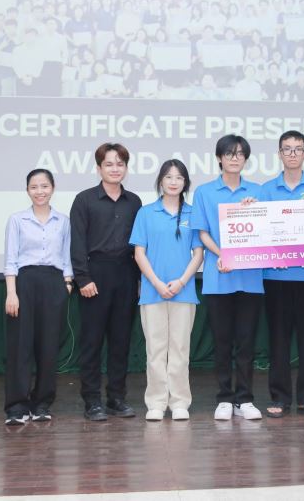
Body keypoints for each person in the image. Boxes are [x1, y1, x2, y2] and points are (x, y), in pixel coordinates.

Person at [191, 134, 265, 420]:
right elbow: (202, 232)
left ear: (246, 159)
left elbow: (267, 231)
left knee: (246, 343)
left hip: (251, 278)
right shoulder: (204, 192)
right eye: (229, 153)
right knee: (222, 342)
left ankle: (244, 399)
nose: (235, 158)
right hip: (218, 276)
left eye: (240, 154)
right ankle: (224, 397)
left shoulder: (257, 192)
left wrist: (254, 210)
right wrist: (223, 254)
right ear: (219, 158)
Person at [70, 143, 143, 421]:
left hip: (126, 274)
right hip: (95, 275)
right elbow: (77, 242)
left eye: (120, 164)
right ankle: (92, 401)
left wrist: (138, 279)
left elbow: (139, 245)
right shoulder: (84, 200)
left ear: (126, 168)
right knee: (92, 342)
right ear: (98, 168)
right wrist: (83, 278)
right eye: (109, 164)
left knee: (121, 341)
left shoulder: (134, 202)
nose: (115, 169)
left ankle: (116, 398)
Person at [258, 130, 304, 418]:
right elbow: (262, 232)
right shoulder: (266, 190)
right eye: (287, 149)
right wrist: (272, 256)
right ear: (279, 154)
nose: (292, 154)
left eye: (298, 149)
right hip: (276, 277)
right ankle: (280, 397)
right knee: (278, 341)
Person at [130, 160, 204, 421]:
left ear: (185, 183)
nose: (174, 182)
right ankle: (156, 402)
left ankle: (180, 401)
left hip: (184, 292)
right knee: (156, 350)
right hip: (153, 292)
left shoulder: (193, 213)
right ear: (160, 180)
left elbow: (198, 254)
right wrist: (157, 283)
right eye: (169, 177)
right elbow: (139, 254)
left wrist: (181, 282)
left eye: (179, 177)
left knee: (180, 349)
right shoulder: (146, 213)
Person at [2, 168, 73, 425]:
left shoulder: (63, 221)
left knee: (48, 346)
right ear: (27, 190)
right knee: (20, 346)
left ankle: (42, 403)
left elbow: (67, 256)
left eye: (44, 186)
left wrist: (67, 285)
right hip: (24, 283)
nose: (39, 191)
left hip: (54, 283)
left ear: (52, 188)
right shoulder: (17, 220)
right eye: (34, 187)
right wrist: (12, 293)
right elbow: (11, 259)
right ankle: (17, 406)